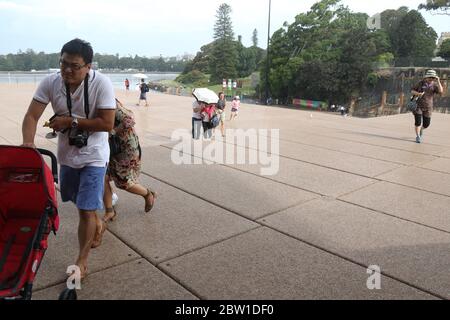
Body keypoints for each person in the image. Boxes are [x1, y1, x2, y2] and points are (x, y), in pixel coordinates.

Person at [21, 39, 116, 280]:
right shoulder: (51, 82)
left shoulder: (102, 84)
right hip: (67, 156)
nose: (67, 70)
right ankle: (98, 224)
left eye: (74, 66)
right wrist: (28, 145)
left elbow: (107, 123)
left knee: (85, 210)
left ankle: (81, 261)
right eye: (63, 63)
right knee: (77, 201)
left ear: (88, 66)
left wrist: (71, 121)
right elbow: (32, 115)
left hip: (94, 155)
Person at [102, 99, 157, 223]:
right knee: (103, 177)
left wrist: (112, 132)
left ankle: (148, 194)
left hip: (125, 148)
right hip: (108, 146)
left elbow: (129, 118)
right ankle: (109, 211)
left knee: (123, 182)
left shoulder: (106, 98)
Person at [411, 69, 443, 144]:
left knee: (426, 124)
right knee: (418, 122)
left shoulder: (435, 85)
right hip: (418, 105)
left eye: (433, 78)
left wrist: (438, 81)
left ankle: (421, 129)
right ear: (426, 77)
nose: (431, 79)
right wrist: (418, 94)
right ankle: (418, 136)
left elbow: (441, 91)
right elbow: (412, 91)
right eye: (430, 77)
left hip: (428, 107)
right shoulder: (420, 83)